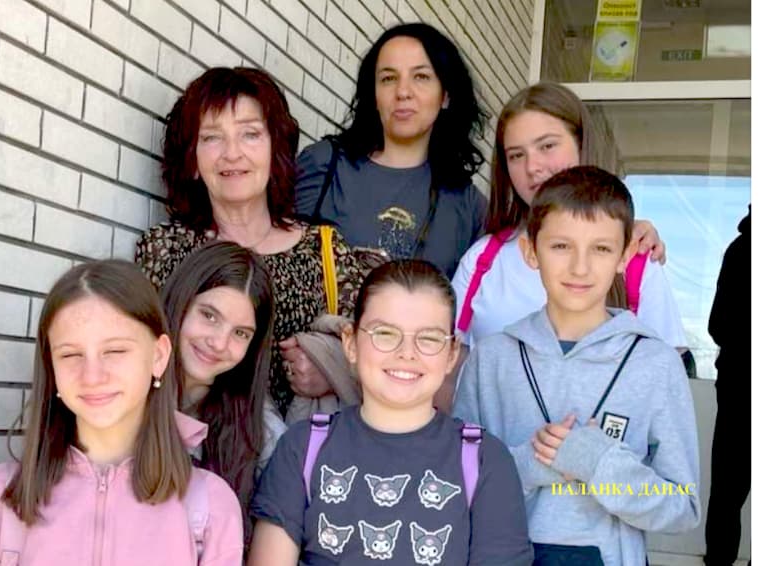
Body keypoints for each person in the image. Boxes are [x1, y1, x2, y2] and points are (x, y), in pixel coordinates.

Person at [453, 166, 701, 566]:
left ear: (624, 256)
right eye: (561, 246)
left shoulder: (656, 364)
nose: (580, 267)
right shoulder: (491, 358)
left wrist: (602, 465)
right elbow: (456, 483)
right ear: (531, 252)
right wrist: (529, 464)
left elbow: (682, 507)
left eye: (600, 249)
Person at [0, 260, 244, 565]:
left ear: (158, 356)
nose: (92, 376)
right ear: (51, 366)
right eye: (71, 354)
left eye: (114, 351)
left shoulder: (210, 510)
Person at [248, 260, 533, 565]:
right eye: (385, 333)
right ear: (350, 343)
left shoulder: (484, 460)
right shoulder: (304, 447)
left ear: (452, 354)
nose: (406, 353)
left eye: (429, 338)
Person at [135, 67, 365, 417]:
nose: (232, 153)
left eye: (250, 134)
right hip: (191, 444)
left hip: (301, 447)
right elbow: (140, 359)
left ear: (275, 150)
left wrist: (333, 370)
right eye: (212, 137)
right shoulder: (165, 248)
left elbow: (376, 355)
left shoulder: (326, 252)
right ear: (192, 159)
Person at [446, 82, 686, 406]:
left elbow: (666, 388)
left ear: (581, 144)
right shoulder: (483, 259)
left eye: (547, 146)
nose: (532, 167)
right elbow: (449, 373)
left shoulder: (635, 256)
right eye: (516, 155)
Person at [294, 22, 488, 279]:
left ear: (445, 96)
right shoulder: (323, 165)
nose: (403, 92)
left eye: (421, 77)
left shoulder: (469, 207)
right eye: (388, 78)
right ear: (374, 95)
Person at [160, 241, 287, 539]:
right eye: (209, 316)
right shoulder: (119, 392)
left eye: (240, 333)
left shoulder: (262, 432)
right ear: (180, 301)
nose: (219, 343)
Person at [703, 206, 751, 566]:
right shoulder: (742, 250)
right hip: (741, 385)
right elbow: (719, 325)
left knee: (727, 490)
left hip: (739, 384)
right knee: (727, 491)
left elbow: (718, 325)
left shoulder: (740, 249)